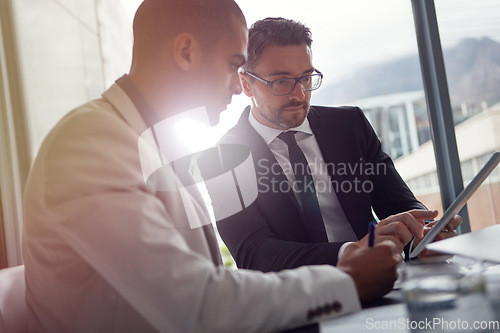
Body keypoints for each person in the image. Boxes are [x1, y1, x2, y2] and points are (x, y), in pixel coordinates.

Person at [22, 2, 402, 332]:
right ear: (186, 51)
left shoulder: (156, 143)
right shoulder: (90, 143)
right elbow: (194, 302)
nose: (239, 88)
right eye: (233, 64)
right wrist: (346, 282)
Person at [212, 17, 462, 272]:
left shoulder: (350, 125)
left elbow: (399, 204)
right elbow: (254, 254)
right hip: (298, 301)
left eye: (306, 78)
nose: (299, 95)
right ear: (246, 83)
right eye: (281, 82)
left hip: (384, 281)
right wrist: (351, 251)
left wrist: (423, 237)